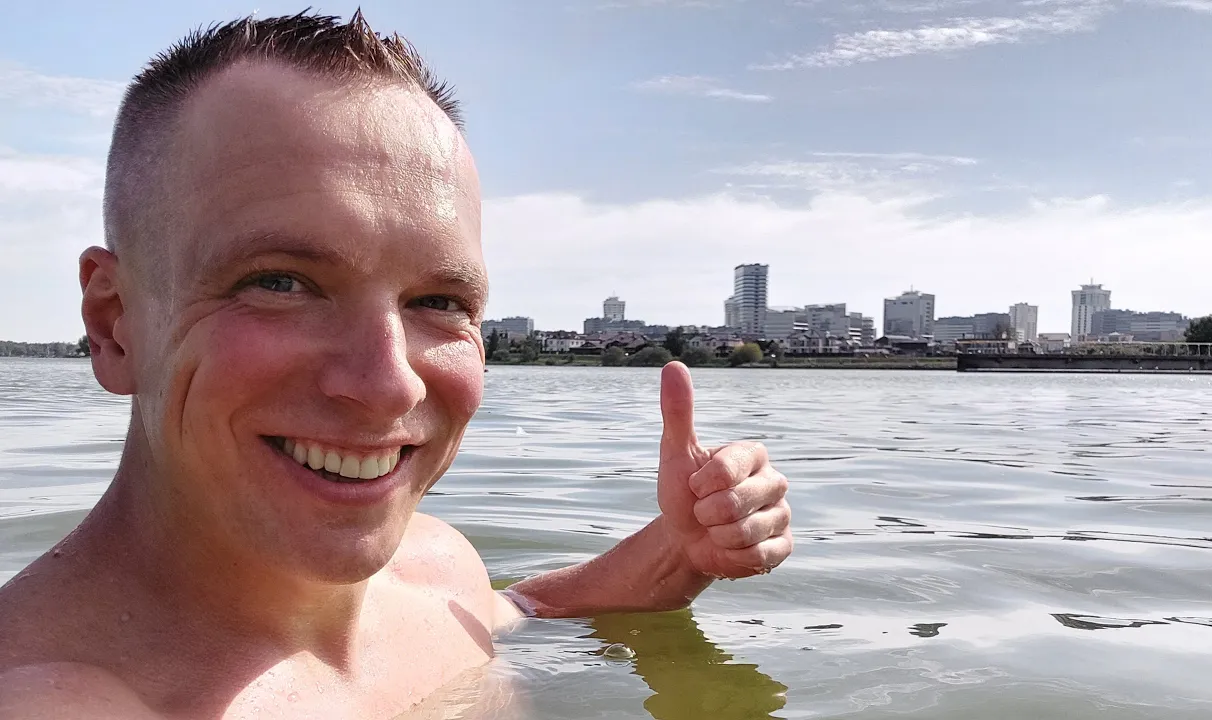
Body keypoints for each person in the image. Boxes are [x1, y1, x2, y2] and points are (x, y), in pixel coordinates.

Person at [0, 11, 792, 719]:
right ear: (114, 324)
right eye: (280, 283)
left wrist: (679, 549)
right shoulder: (51, 698)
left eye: (439, 301)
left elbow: (521, 610)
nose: (389, 385)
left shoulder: (435, 569)